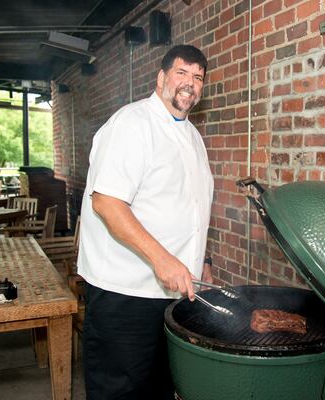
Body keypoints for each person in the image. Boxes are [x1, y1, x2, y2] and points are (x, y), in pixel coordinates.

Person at [77, 44, 213, 400]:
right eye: (182, 73)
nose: (190, 83)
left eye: (198, 78)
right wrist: (161, 258)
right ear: (161, 77)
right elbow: (107, 203)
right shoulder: (132, 123)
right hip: (125, 293)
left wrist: (205, 261)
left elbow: (192, 207)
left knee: (159, 388)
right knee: (120, 391)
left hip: (172, 294)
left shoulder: (192, 136)